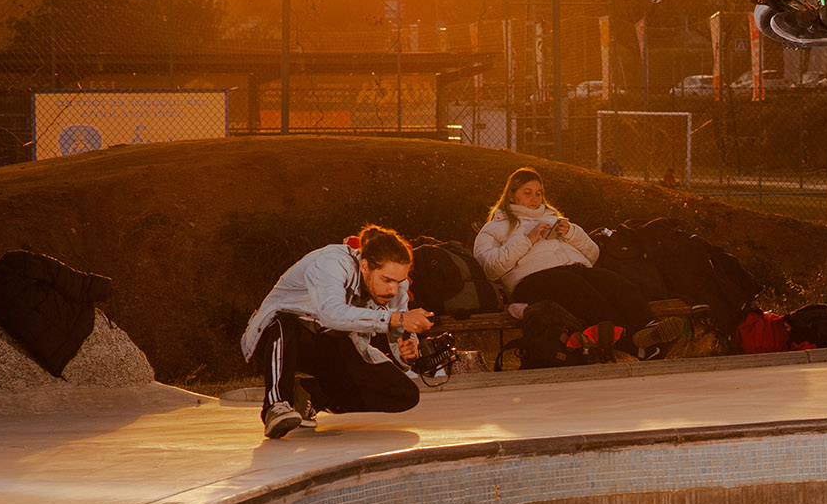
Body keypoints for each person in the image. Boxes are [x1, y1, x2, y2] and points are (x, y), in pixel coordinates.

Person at [241, 223, 434, 439]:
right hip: (277, 338)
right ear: (365, 267)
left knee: (405, 394)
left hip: (329, 344)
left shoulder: (397, 290)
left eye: (399, 281)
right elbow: (331, 313)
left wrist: (407, 351)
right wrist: (397, 318)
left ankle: (310, 395)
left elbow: (399, 333)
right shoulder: (332, 263)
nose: (392, 289)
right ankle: (276, 406)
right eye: (386, 280)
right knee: (286, 323)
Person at [473, 167, 681, 352]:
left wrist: (572, 233)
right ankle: (632, 342)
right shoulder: (496, 227)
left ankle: (651, 329)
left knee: (616, 283)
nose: (535, 199)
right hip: (531, 280)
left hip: (573, 271)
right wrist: (527, 240)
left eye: (538, 193)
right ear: (511, 196)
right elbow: (490, 269)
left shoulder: (553, 218)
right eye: (527, 193)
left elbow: (593, 254)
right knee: (580, 290)